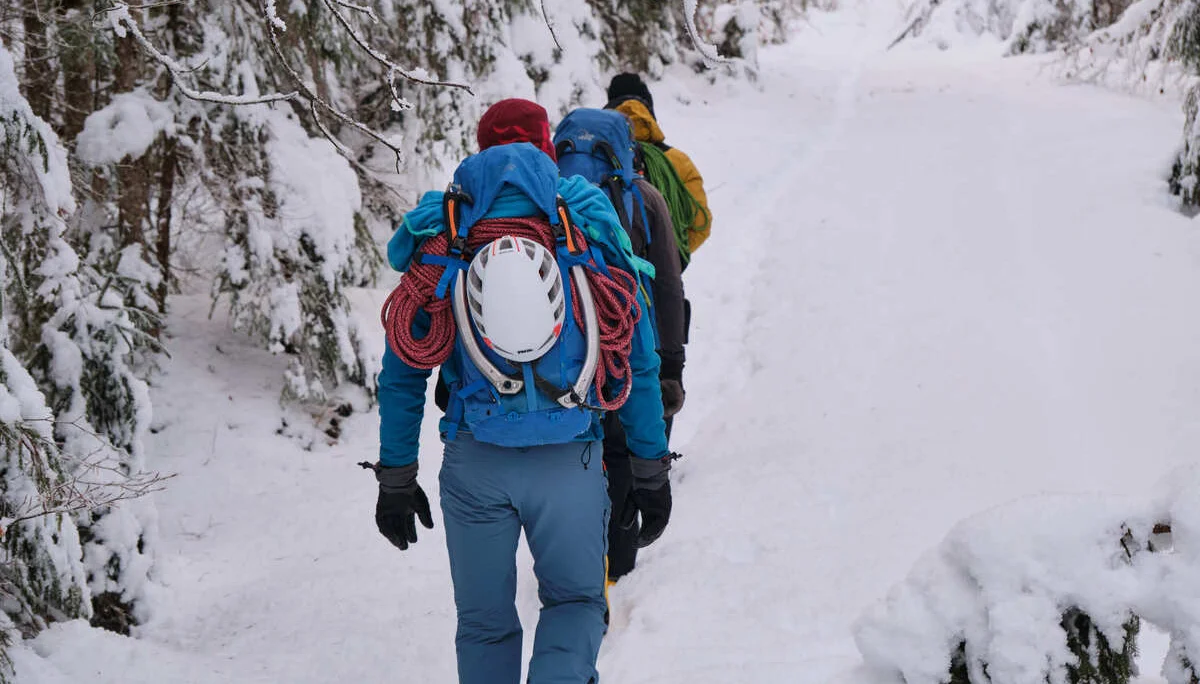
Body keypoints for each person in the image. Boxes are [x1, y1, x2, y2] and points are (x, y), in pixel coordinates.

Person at [370, 98, 673, 684]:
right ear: (547, 149)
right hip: (569, 458)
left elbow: (403, 370)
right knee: (575, 603)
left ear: (480, 149)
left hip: (475, 460)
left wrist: (397, 478)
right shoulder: (584, 219)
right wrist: (649, 469)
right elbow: (637, 358)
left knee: (483, 624)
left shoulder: (445, 232)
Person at [552, 108, 687, 583]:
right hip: (629, 347)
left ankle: (575, 562)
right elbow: (668, 285)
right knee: (624, 447)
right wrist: (672, 364)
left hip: (566, 354)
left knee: (574, 453)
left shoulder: (548, 198)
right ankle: (619, 562)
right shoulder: (644, 198)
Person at [605, 72, 713, 255]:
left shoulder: (595, 156)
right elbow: (700, 225)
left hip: (603, 269)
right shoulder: (677, 160)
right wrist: (670, 256)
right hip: (661, 268)